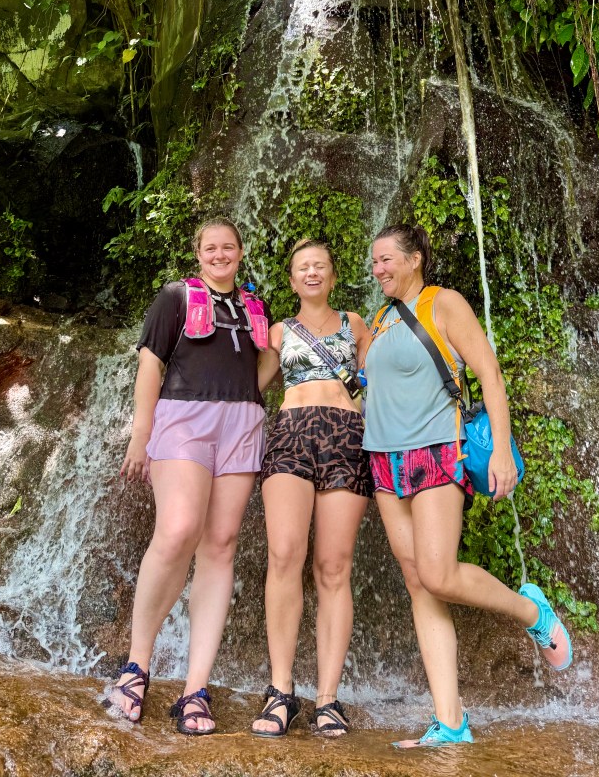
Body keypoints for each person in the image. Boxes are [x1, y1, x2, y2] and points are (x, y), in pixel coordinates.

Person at [364, 224, 573, 748]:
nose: (379, 269)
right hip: (384, 461)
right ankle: (451, 721)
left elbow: (489, 374)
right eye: (374, 262)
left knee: (437, 573)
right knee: (418, 580)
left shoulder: (443, 303)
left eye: (387, 259)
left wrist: (501, 448)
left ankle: (533, 611)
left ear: (414, 260)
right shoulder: (380, 319)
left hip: (437, 448)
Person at [104, 217, 278, 734]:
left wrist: (251, 396)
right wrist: (142, 434)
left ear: (240, 252)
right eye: (210, 248)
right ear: (198, 253)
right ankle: (137, 665)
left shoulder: (255, 307)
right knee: (178, 530)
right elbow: (150, 365)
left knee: (220, 545)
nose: (219, 254)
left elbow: (266, 362)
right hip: (183, 417)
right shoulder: (175, 298)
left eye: (228, 247)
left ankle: (194, 689)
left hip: (241, 423)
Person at [250, 239, 373, 738]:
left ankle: (327, 699)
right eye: (303, 267)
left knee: (334, 567)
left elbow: (375, 385)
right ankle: (281, 692)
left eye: (320, 264)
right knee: (283, 555)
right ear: (292, 279)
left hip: (346, 436)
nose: (312, 272)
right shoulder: (278, 331)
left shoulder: (357, 324)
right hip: (292, 432)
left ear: (333, 274)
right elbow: (251, 387)